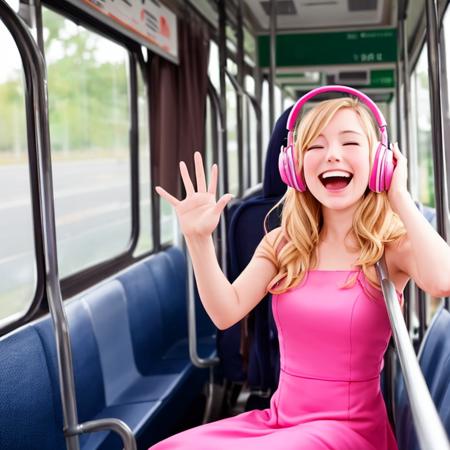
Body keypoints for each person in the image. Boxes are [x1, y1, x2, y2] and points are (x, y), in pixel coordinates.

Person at [151, 86, 450, 449]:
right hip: (281, 422)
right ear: (293, 166)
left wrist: (399, 195)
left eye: (350, 143)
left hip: (348, 431)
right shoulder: (281, 243)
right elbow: (225, 312)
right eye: (315, 146)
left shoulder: (389, 246)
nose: (332, 156)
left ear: (379, 162)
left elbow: (442, 281)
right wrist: (198, 240)